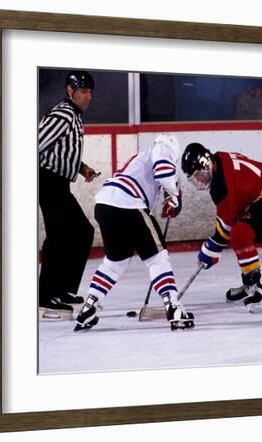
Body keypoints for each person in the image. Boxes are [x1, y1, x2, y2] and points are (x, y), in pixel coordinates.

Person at [74, 133, 194, 331]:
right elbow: (164, 173)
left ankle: (89, 306)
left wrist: (169, 198)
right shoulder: (161, 149)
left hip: (105, 205)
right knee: (157, 258)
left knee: (114, 263)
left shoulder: (142, 159)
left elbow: (159, 188)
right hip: (128, 204)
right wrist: (173, 192)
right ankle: (174, 307)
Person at [181, 142, 262, 312]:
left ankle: (254, 287)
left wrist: (209, 249)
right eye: (194, 178)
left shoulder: (220, 186)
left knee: (239, 233)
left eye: (199, 175)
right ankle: (248, 283)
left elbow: (225, 230)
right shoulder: (219, 158)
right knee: (238, 230)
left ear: (206, 164)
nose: (199, 180)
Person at [38, 70, 100, 320]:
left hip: (58, 182)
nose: (88, 97)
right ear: (70, 91)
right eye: (83, 91)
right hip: (47, 180)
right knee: (59, 236)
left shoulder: (73, 116)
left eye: (90, 93)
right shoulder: (63, 114)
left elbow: (61, 150)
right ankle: (44, 297)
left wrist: (81, 167)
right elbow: (37, 144)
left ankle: (62, 290)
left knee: (81, 232)